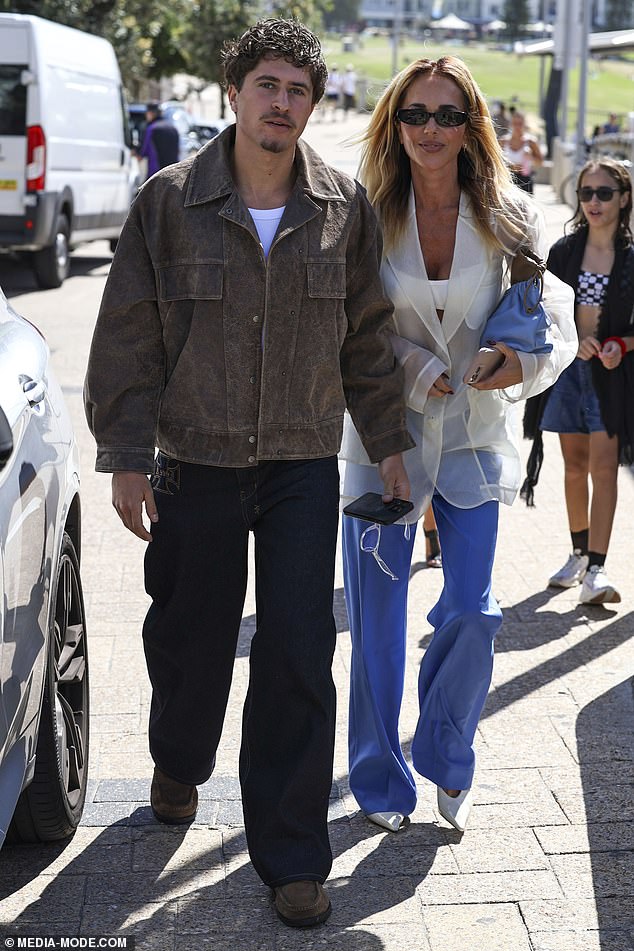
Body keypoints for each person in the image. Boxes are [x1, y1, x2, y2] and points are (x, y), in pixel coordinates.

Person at [84, 18, 413, 929]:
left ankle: (294, 855)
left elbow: (367, 342)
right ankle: (180, 757)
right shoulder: (169, 201)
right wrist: (123, 455)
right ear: (235, 92)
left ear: (315, 102)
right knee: (192, 641)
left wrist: (387, 442)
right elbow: (129, 336)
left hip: (304, 459)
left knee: (301, 651)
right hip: (196, 456)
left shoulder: (341, 207)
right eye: (268, 85)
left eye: (299, 90)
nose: (283, 105)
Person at [339, 56, 576, 835]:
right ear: (394, 124)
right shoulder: (364, 214)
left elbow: (550, 323)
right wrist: (414, 370)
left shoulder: (509, 215)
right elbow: (349, 329)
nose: (430, 130)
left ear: (472, 125)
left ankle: (447, 752)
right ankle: (378, 778)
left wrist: (515, 363)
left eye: (447, 115)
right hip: (384, 444)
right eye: (415, 114)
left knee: (472, 610)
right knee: (376, 620)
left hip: (476, 439)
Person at [540, 159, 633, 603]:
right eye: (585, 193)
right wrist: (568, 341)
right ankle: (577, 555)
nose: (593, 202)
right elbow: (542, 311)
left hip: (611, 377)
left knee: (604, 469)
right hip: (567, 370)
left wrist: (621, 346)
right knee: (574, 467)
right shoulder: (563, 251)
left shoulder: (631, 257)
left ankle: (597, 568)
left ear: (624, 198)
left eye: (604, 193)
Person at [500, 110, 543, 193]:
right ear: (510, 124)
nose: (517, 127)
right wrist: (510, 167)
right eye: (515, 123)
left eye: (520, 124)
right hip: (507, 180)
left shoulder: (531, 142)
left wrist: (531, 158)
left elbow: (540, 163)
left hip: (525, 181)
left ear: (525, 125)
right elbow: (495, 162)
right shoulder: (503, 141)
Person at [139, 102, 180, 177]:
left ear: (151, 113)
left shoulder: (152, 128)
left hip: (156, 172)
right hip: (172, 171)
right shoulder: (173, 128)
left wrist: (138, 155)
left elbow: (144, 149)